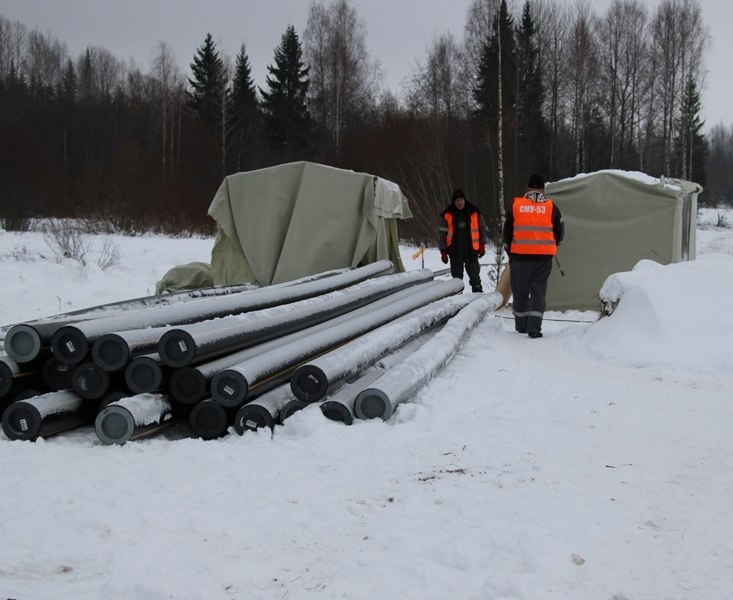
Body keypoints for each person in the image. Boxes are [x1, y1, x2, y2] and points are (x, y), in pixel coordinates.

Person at [503, 174, 564, 338]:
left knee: (520, 292)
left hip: (520, 258)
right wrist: (552, 245)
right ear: (543, 189)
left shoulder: (516, 205)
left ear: (527, 187)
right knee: (538, 292)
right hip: (543, 259)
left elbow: (507, 231)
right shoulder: (552, 207)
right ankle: (534, 329)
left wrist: (510, 251)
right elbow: (559, 232)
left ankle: (521, 325)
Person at [438, 188, 487, 293]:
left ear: (464, 200)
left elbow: (481, 228)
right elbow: (442, 234)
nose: (459, 202)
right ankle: (457, 303)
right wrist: (443, 251)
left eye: (461, 200)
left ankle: (478, 299)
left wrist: (482, 244)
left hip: (471, 251)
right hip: (455, 252)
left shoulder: (474, 211)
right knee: (456, 281)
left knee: (475, 279)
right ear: (453, 202)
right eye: (457, 200)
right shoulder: (447, 214)